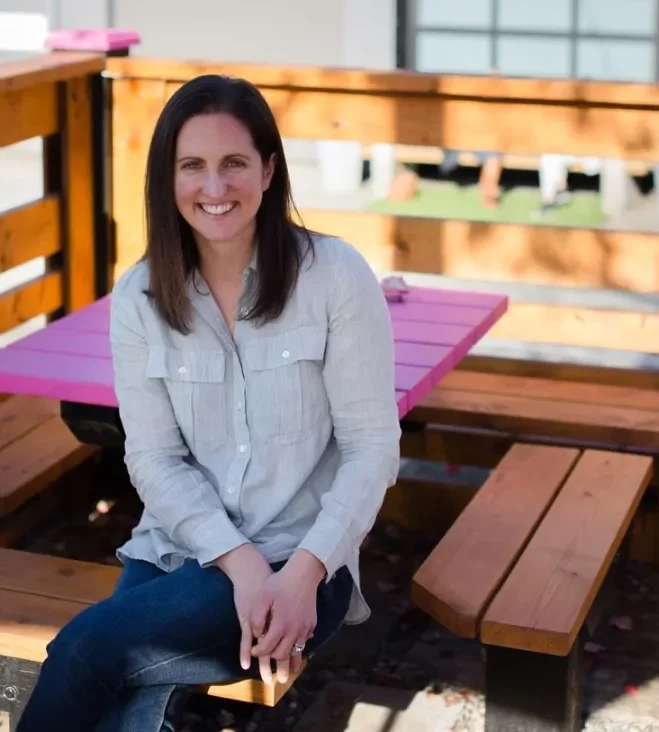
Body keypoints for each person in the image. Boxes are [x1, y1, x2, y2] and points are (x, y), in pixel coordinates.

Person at [16, 74, 401, 732]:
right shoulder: (140, 298)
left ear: (269, 170)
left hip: (304, 560)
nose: (214, 188)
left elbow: (373, 447)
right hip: (179, 548)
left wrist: (300, 574)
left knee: (85, 653)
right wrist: (239, 563)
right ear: (167, 178)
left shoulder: (335, 277)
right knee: (121, 703)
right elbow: (155, 458)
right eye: (192, 166)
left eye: (234, 164)